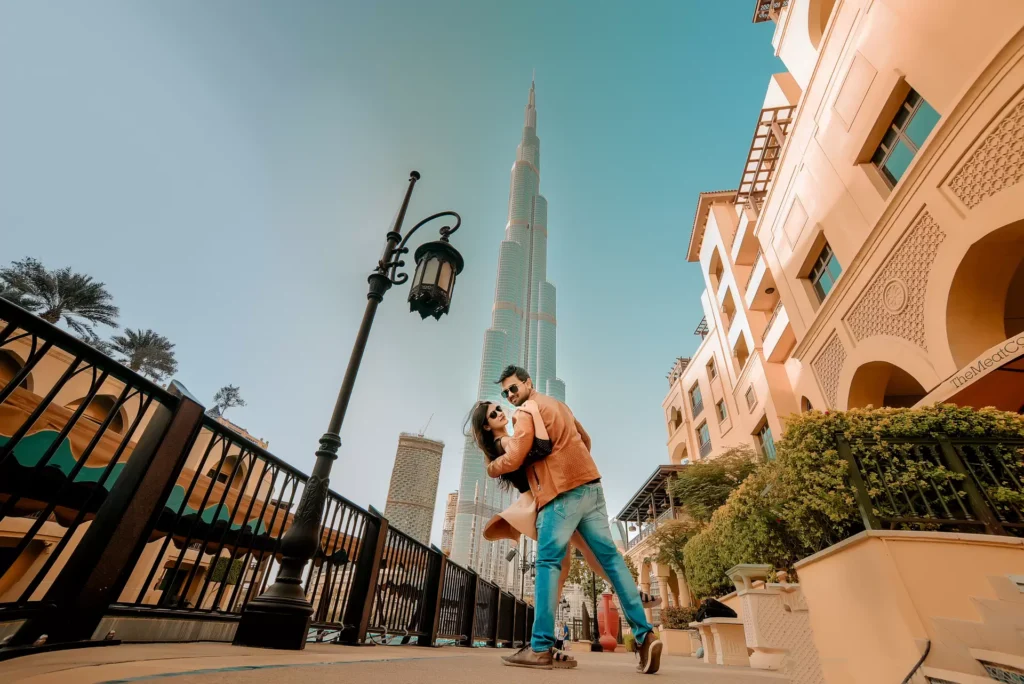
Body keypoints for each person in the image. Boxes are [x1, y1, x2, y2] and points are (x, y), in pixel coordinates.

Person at [486, 365, 662, 674]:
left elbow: (514, 457)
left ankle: (540, 648)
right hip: (591, 487)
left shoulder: (525, 411)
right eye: (506, 393)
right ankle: (645, 635)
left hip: (559, 496)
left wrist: (491, 467)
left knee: (548, 565)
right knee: (610, 559)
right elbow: (586, 439)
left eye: (514, 388)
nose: (511, 396)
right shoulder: (559, 405)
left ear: (528, 383)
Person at [467, 399, 608, 670]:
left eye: (498, 408)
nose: (499, 412)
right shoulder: (506, 443)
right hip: (548, 503)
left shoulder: (502, 445)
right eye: (493, 413)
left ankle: (544, 644)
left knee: (564, 567)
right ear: (486, 424)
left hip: (547, 501)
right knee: (585, 551)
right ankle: (542, 644)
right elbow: (537, 449)